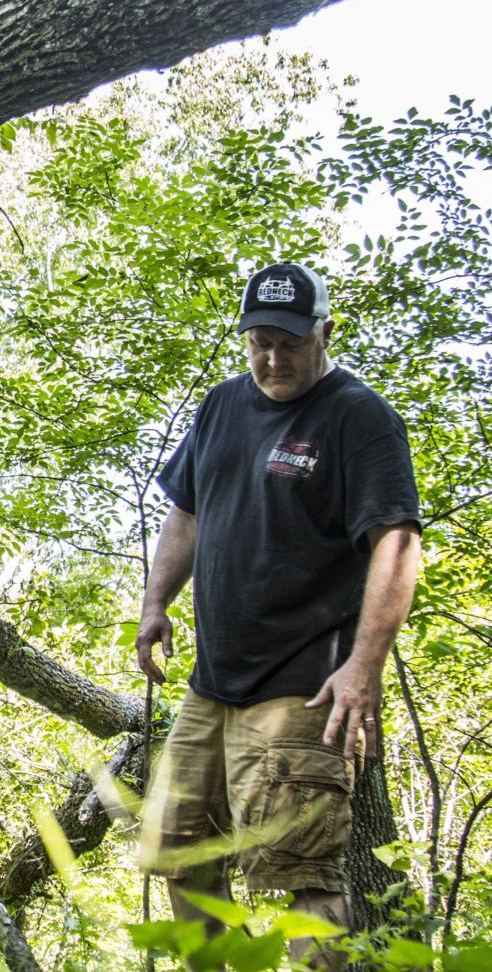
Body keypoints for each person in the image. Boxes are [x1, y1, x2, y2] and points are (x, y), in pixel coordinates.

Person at [136, 262, 422, 968]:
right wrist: (155, 601)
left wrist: (363, 668)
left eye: (289, 342)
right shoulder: (223, 405)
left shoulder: (359, 418)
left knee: (303, 873)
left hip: (305, 685)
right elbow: (188, 509)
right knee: (177, 846)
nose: (272, 357)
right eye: (259, 340)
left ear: (326, 333)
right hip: (214, 683)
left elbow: (397, 542)